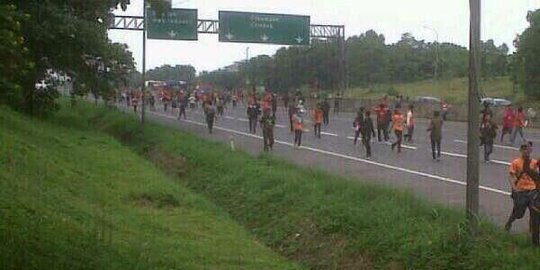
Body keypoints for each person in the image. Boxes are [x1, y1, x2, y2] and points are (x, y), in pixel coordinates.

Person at [504, 144, 539, 239]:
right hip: (521, 191)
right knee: (519, 212)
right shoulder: (516, 162)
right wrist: (514, 187)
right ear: (521, 150)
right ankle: (509, 222)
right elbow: (512, 175)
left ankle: (532, 231)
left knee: (534, 212)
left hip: (532, 191)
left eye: (528, 149)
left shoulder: (534, 162)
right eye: (525, 150)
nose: (527, 151)